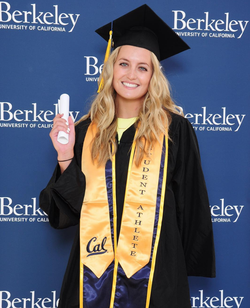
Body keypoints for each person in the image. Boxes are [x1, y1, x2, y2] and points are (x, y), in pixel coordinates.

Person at [40, 4, 215, 308]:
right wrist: (65, 155)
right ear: (111, 69)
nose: (131, 74)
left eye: (142, 67)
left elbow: (191, 202)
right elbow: (66, 213)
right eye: (123, 64)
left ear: (152, 77)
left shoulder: (174, 129)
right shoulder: (84, 130)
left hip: (156, 276)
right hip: (91, 275)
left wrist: (178, 272)